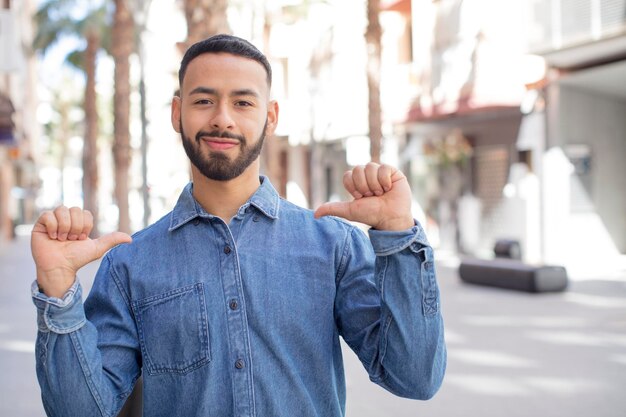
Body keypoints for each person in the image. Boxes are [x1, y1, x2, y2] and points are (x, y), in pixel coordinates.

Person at [30, 34, 446, 417]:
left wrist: (397, 234)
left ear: (271, 116)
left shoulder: (332, 246)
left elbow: (414, 377)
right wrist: (57, 290)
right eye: (204, 101)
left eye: (243, 102)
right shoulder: (130, 263)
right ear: (178, 113)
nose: (222, 119)